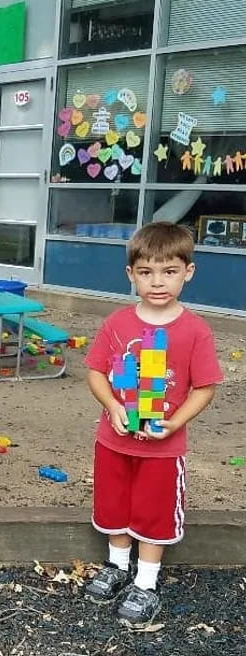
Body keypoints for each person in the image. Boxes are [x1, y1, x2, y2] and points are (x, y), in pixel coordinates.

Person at [83, 222, 222, 628]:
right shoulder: (117, 324)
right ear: (131, 275)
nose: (157, 282)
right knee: (114, 506)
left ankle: (145, 583)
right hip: (113, 442)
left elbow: (204, 388)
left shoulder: (195, 331)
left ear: (188, 272)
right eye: (146, 272)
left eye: (169, 271)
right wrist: (112, 406)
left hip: (163, 448)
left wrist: (173, 423)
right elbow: (95, 372)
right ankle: (116, 565)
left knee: (153, 512)